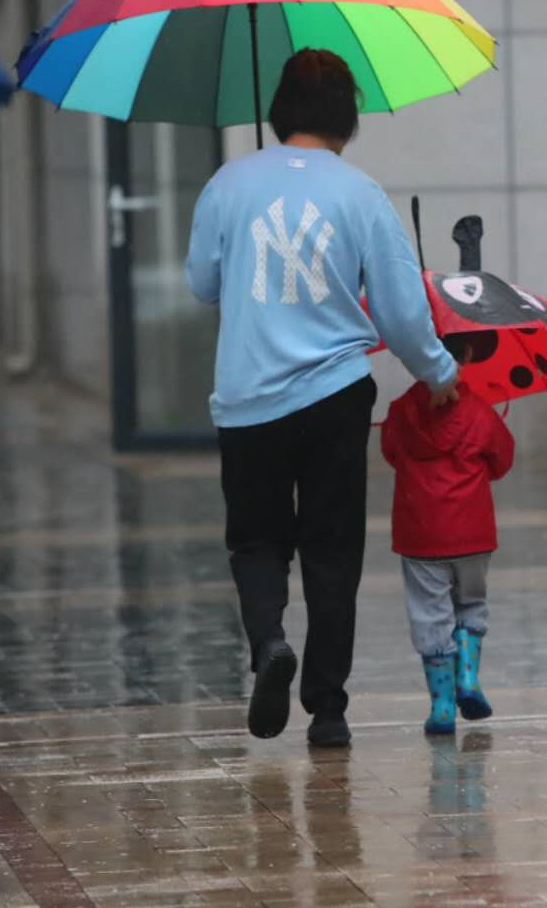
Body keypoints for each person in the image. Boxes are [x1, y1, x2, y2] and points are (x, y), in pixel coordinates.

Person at [184, 48, 459, 748]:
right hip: (335, 396)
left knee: (256, 541)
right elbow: (400, 310)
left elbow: (203, 283)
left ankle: (270, 641)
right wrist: (437, 372)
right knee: (332, 551)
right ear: (346, 114)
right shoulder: (358, 192)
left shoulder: (228, 182)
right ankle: (328, 710)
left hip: (248, 400)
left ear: (279, 110)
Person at [381, 330, 515, 735]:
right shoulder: (479, 412)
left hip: (420, 535)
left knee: (429, 613)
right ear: (469, 353)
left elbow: (390, 453)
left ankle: (441, 706)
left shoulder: (401, 412)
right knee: (471, 604)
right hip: (472, 534)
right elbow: (501, 460)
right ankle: (469, 679)